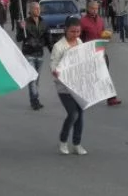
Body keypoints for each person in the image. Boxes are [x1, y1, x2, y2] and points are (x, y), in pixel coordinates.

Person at [51, 17, 87, 155]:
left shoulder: (79, 42)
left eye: (78, 31)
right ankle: (63, 140)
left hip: (79, 85)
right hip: (64, 88)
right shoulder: (59, 46)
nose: (75, 34)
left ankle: (77, 144)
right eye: (72, 31)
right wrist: (56, 71)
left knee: (81, 114)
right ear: (66, 30)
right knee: (73, 114)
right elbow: (53, 64)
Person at [80, 1, 121, 106]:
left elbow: (102, 33)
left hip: (100, 51)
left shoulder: (100, 20)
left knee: (105, 75)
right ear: (88, 8)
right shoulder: (83, 21)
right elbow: (79, 38)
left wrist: (106, 35)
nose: (94, 10)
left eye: (96, 8)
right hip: (88, 52)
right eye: (92, 8)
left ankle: (111, 98)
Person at [17, 2, 52, 110]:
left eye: (39, 8)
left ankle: (33, 100)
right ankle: (35, 100)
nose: (38, 10)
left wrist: (53, 51)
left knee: (36, 79)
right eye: (35, 8)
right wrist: (21, 29)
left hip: (39, 53)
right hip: (29, 53)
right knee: (32, 78)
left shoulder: (43, 23)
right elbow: (19, 38)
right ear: (31, 10)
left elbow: (48, 38)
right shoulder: (25, 22)